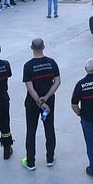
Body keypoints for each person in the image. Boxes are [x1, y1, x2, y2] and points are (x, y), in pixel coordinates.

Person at [21, 38, 61, 170]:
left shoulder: (28, 65)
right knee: (49, 129)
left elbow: (29, 87)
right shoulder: (51, 62)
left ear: (32, 48)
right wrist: (46, 98)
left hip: (32, 103)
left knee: (31, 131)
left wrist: (38, 101)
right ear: (43, 47)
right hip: (48, 102)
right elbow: (57, 82)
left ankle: (30, 162)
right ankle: (50, 159)